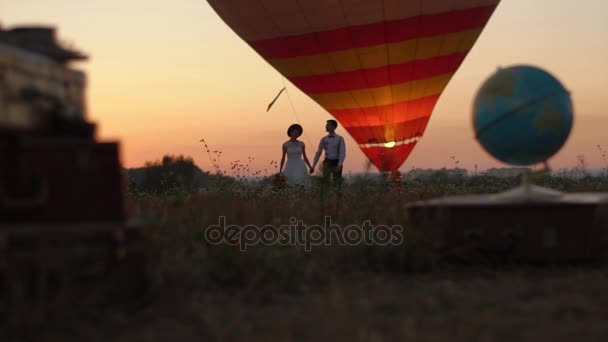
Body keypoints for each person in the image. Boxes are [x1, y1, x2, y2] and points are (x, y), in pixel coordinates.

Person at [310, 119, 346, 186]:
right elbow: (318, 153)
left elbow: (342, 152)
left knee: (337, 182)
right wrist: (313, 166)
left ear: (333, 127)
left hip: (336, 162)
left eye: (328, 125)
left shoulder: (340, 138)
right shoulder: (324, 139)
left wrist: (340, 164)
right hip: (327, 162)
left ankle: (337, 195)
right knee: (325, 182)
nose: (326, 127)